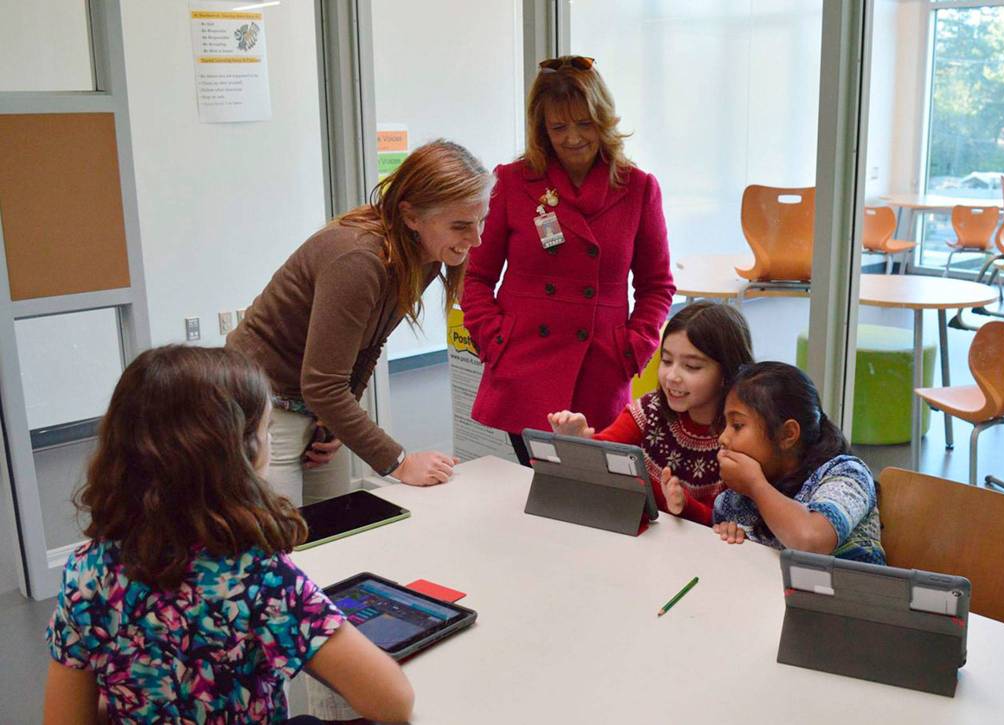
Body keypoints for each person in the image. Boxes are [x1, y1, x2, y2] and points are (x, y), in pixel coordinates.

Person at [42, 346, 414, 723]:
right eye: (266, 431)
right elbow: (392, 701)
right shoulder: (258, 577)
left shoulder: (86, 573)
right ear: (240, 455)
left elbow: (65, 718)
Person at [226, 140, 493, 506]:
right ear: (412, 216)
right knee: (280, 532)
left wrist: (333, 422)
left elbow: (369, 345)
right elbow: (322, 385)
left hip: (316, 398)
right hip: (265, 400)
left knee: (334, 524)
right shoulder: (357, 260)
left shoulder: (425, 254)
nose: (476, 239)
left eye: (481, 221)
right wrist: (400, 462)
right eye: (461, 225)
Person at [462, 56, 675, 466]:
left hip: (601, 368)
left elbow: (657, 285)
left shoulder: (638, 188)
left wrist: (633, 347)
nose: (573, 138)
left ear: (603, 120)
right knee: (540, 482)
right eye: (558, 127)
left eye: (584, 123)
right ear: (541, 129)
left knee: (596, 486)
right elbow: (474, 277)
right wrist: (494, 338)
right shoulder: (512, 182)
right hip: (525, 368)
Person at [549, 301, 753, 523]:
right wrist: (578, 442)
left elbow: (731, 521)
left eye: (692, 367)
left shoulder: (739, 439)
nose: (672, 376)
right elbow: (605, 453)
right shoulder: (651, 408)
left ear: (727, 372)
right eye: (666, 361)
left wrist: (685, 505)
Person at [711, 362, 886, 564]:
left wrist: (756, 485)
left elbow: (811, 541)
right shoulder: (735, 500)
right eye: (725, 424)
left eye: (737, 425)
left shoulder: (848, 474)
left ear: (787, 434)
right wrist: (733, 538)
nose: (723, 438)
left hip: (852, 586)